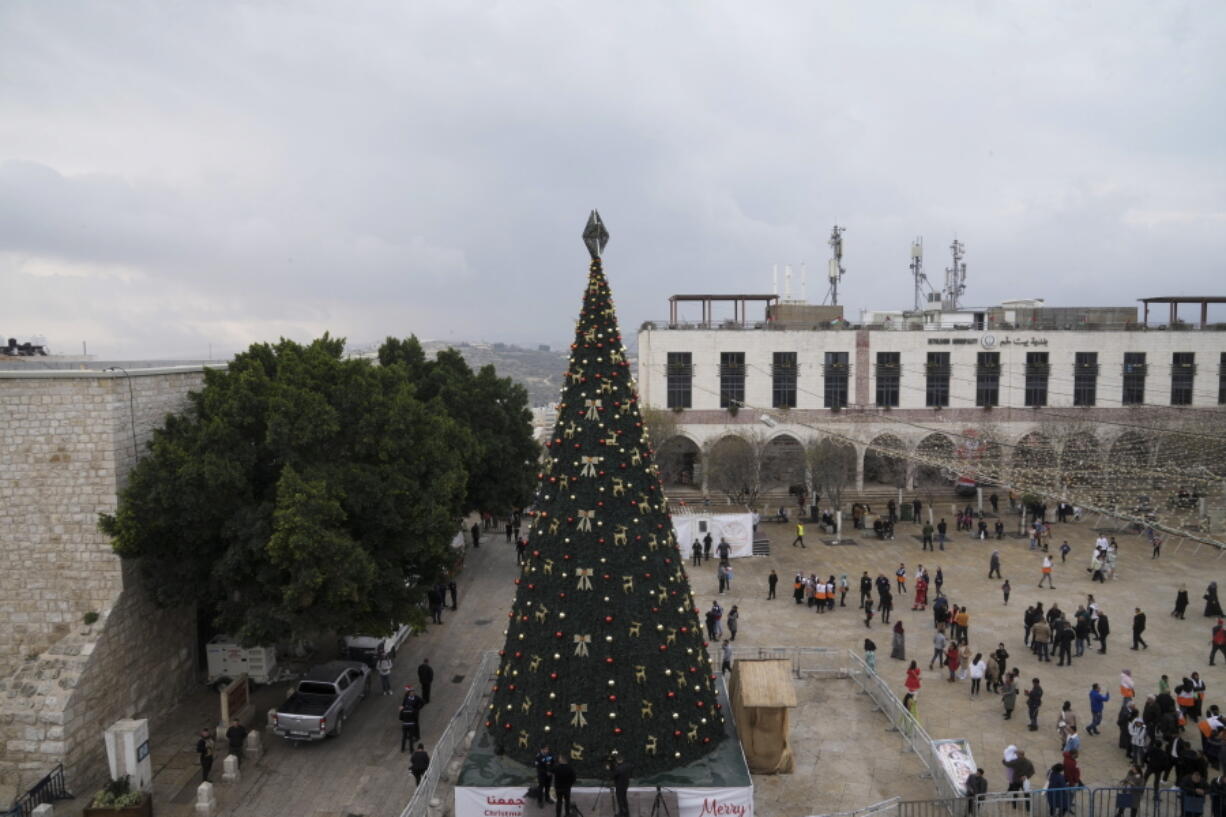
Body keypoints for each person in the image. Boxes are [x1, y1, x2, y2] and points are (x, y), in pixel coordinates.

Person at [612, 752, 632, 817]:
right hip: (626, 784)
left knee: (620, 800)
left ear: (617, 760)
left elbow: (613, 776)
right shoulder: (628, 765)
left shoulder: (618, 769)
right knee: (624, 798)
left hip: (619, 786)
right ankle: (627, 812)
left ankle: (621, 813)